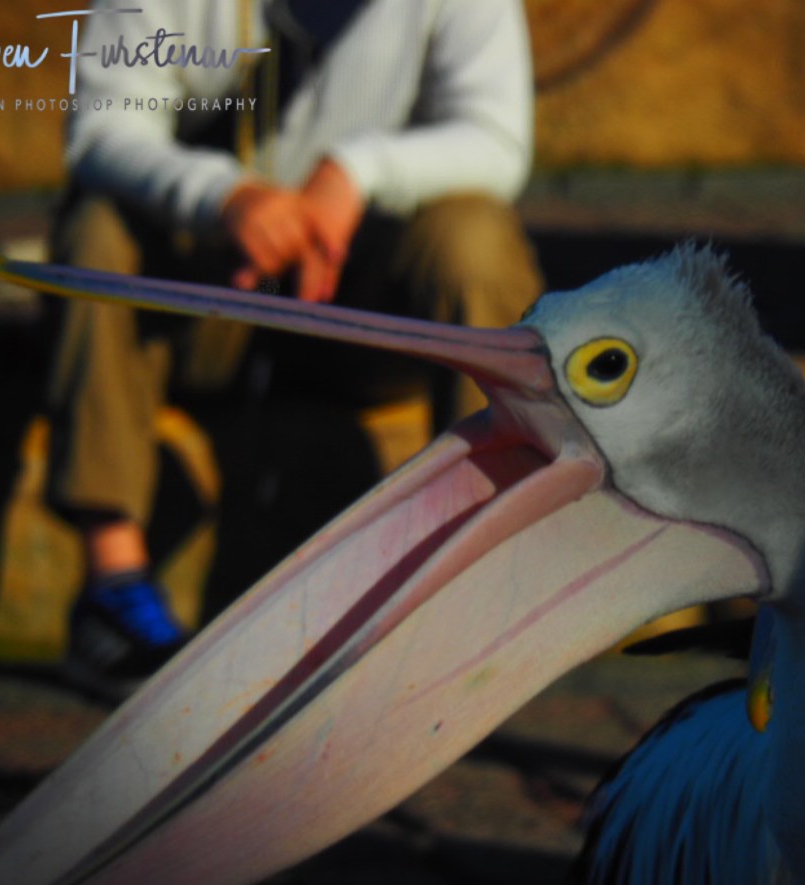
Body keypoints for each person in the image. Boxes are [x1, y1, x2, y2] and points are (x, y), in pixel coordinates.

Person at [47, 0, 543, 692]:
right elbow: (102, 127)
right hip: (204, 302)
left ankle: (491, 574)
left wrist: (354, 172)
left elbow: (496, 140)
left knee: (475, 237)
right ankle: (113, 586)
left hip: (362, 304)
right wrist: (222, 197)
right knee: (98, 228)